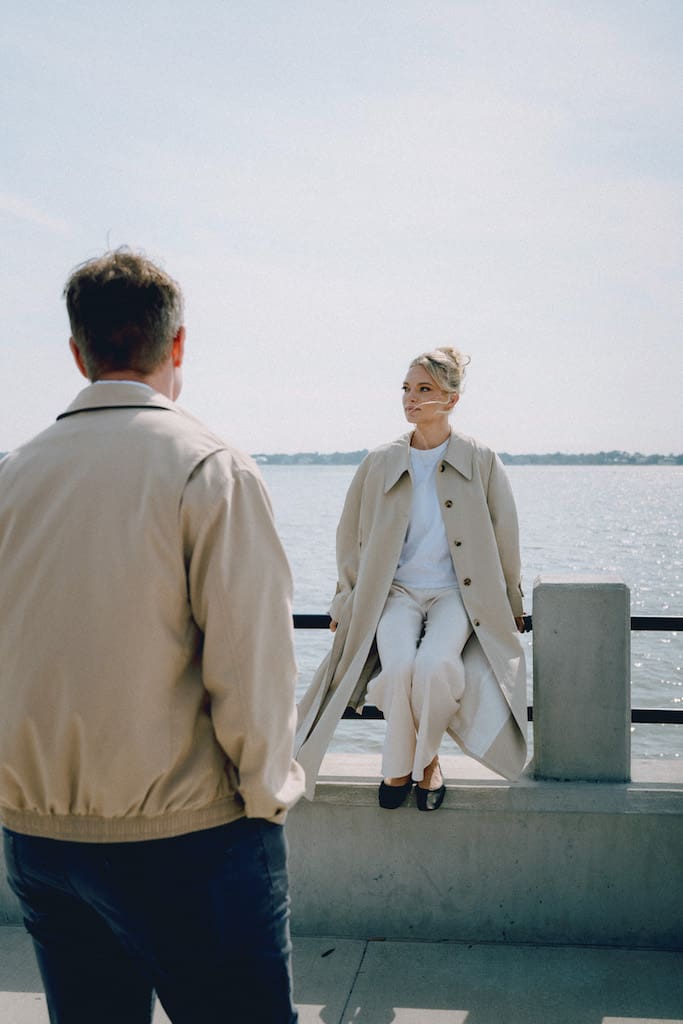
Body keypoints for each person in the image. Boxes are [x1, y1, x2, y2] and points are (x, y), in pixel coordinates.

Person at [0, 249, 305, 1023]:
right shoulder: (210, 469)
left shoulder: (11, 477)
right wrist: (266, 798)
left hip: (39, 840)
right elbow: (253, 668)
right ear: (177, 344)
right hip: (190, 840)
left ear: (77, 353)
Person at [296, 347, 527, 811]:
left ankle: (415, 766)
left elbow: (506, 533)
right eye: (406, 388)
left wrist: (512, 601)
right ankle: (420, 766)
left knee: (435, 667)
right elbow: (350, 537)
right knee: (399, 668)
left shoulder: (481, 459)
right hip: (394, 593)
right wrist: (345, 599)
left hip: (456, 595)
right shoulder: (379, 461)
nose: (411, 398)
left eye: (424, 389)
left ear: (452, 399)